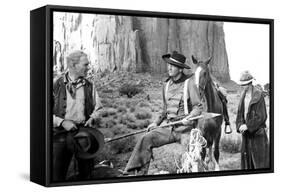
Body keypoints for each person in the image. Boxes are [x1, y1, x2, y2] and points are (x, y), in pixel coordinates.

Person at [124, 51, 203, 175]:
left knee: (190, 156)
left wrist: (191, 117)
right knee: (146, 138)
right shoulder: (166, 85)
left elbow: (198, 107)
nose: (169, 68)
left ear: (181, 69)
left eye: (173, 65)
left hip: (185, 130)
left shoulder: (189, 83)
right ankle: (135, 173)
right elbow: (165, 110)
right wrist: (155, 123)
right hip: (169, 128)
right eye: (169, 65)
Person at [52, 50, 104, 181]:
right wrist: (62, 122)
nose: (88, 67)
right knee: (57, 175)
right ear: (74, 65)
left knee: (86, 175)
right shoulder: (55, 85)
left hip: (83, 135)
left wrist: (93, 118)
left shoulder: (90, 86)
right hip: (60, 135)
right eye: (85, 64)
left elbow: (99, 108)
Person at [236, 70, 269, 169]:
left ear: (249, 84)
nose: (242, 87)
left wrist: (248, 125)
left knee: (260, 165)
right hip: (246, 135)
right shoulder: (243, 95)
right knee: (247, 164)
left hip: (258, 135)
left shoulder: (258, 95)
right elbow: (239, 113)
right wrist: (240, 125)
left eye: (244, 85)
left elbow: (262, 116)